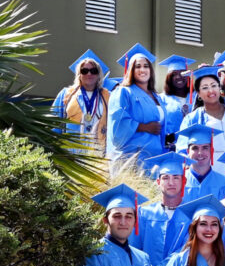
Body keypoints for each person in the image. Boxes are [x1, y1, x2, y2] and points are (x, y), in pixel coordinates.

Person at [179, 66, 225, 176]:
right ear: (198, 94)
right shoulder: (192, 119)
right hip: (208, 174)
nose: (210, 91)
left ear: (219, 88)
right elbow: (182, 151)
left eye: (214, 85)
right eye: (204, 87)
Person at [132, 152, 193, 266]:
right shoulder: (143, 214)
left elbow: (187, 251)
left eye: (176, 177)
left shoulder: (192, 216)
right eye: (166, 178)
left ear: (184, 181)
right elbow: (134, 249)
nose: (171, 183)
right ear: (158, 181)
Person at [107, 44, 166, 173]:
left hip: (154, 159)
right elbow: (118, 124)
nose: (142, 70)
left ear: (151, 70)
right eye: (137, 66)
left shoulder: (157, 97)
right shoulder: (123, 92)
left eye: (146, 66)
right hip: (132, 159)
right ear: (131, 71)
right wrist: (144, 127)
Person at [54, 49, 111, 151]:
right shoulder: (66, 94)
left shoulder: (108, 96)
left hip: (99, 152)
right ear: (79, 75)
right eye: (84, 71)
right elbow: (54, 124)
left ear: (99, 75)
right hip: (72, 152)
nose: (89, 74)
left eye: (93, 71)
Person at [176, 124, 225, 202]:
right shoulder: (177, 181)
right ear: (188, 152)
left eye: (205, 148)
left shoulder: (223, 183)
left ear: (212, 151)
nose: (200, 153)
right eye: (195, 148)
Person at [157, 55, 195, 148]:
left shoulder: (198, 96)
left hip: (195, 147)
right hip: (170, 148)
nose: (179, 77)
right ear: (169, 78)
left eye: (183, 73)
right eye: (174, 74)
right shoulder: (160, 99)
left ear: (188, 76)